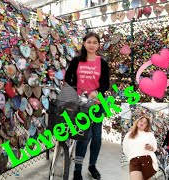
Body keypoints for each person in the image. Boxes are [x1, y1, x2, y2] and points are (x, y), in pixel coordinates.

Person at [65, 31, 110, 180]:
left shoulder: (102, 62)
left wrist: (97, 91)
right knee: (84, 136)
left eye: (94, 42)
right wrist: (76, 91)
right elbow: (68, 77)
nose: (91, 45)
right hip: (81, 104)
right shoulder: (77, 61)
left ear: (98, 45)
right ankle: (77, 169)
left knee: (97, 137)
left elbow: (105, 83)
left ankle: (92, 166)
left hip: (98, 104)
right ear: (84, 43)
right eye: (89, 42)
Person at [122, 116, 158, 180]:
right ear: (137, 122)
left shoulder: (149, 134)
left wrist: (150, 147)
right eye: (141, 121)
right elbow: (125, 148)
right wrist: (131, 156)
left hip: (146, 160)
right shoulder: (129, 134)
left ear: (146, 126)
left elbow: (155, 147)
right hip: (134, 161)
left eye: (145, 123)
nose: (142, 123)